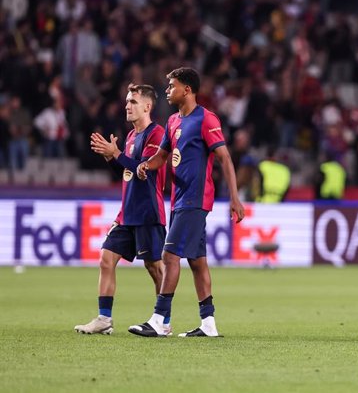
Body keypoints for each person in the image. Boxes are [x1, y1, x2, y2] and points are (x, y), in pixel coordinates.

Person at [128, 67, 245, 338]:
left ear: (187, 90)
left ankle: (159, 320)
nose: (167, 91)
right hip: (179, 200)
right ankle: (208, 324)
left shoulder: (206, 119)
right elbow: (162, 156)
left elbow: (225, 158)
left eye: (171, 86)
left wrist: (235, 197)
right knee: (197, 262)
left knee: (170, 256)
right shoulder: (172, 122)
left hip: (195, 198)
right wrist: (147, 165)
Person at [74, 84, 167, 335]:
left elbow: (143, 169)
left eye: (133, 101)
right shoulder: (131, 137)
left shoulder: (156, 134)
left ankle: (163, 320)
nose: (127, 105)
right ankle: (104, 319)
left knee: (154, 267)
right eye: (127, 101)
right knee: (106, 258)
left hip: (148, 211)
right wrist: (111, 157)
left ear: (147, 106)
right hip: (127, 212)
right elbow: (127, 172)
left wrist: (117, 154)